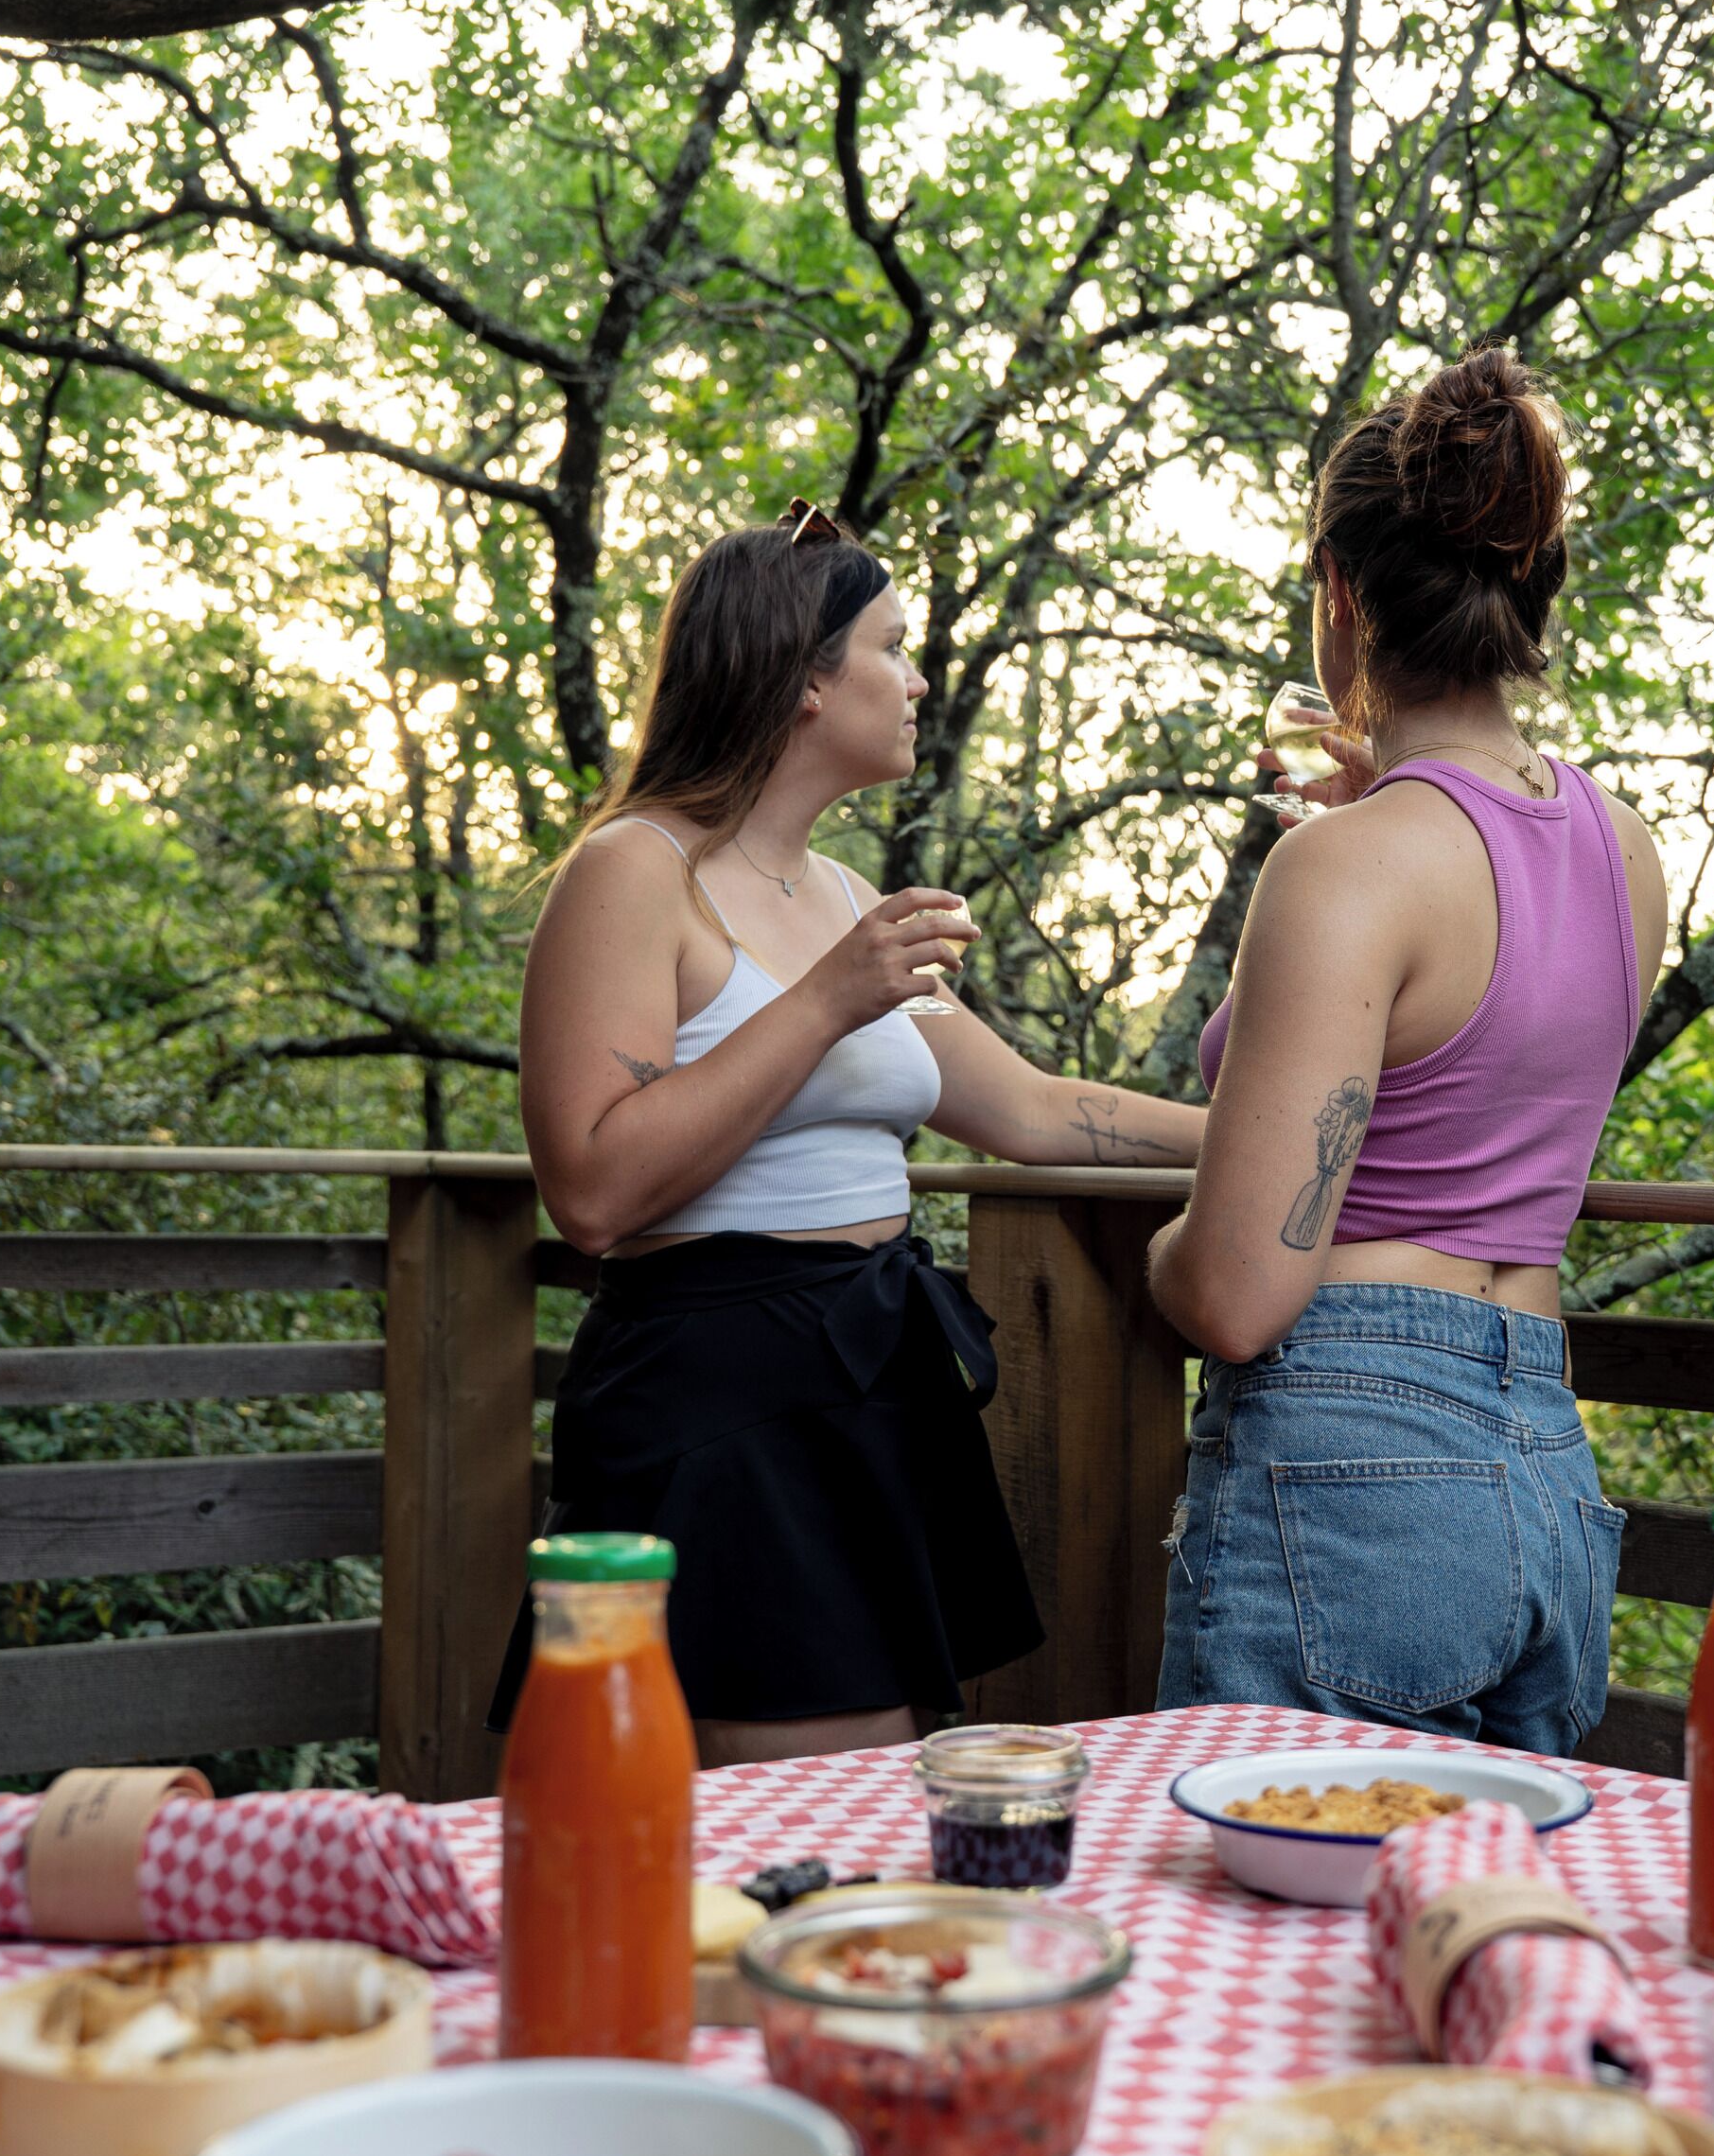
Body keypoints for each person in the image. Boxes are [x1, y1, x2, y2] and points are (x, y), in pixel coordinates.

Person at [507, 503, 1207, 1762]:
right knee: (808, 1813)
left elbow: (1033, 1111)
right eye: (892, 644)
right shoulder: (632, 870)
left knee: (866, 1788)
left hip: (871, 1382)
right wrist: (830, 996)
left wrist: (1267, 1139)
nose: (921, 677)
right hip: (718, 1388)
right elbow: (595, 1190)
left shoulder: (842, 896)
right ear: (804, 682)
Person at [1148, 347, 1667, 1753]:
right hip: (1545, 1467)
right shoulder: (1626, 853)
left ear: (1340, 595)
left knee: (1262, 1946)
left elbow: (1239, 1297)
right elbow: (1493, 991)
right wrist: (1386, 787)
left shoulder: (1348, 869)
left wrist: (1160, 1249)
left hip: (1350, 1469)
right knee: (1467, 1935)